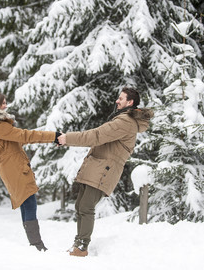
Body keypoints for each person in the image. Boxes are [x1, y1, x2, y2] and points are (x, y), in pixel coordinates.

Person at [58, 87, 154, 257]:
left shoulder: (125, 122)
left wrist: (68, 138)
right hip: (97, 166)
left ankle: (81, 247)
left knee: (86, 206)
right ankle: (78, 244)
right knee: (80, 205)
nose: (117, 101)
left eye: (121, 98)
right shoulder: (122, 119)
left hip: (104, 170)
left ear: (130, 102)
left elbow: (96, 135)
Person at [0, 91, 60, 251]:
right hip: (15, 167)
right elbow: (25, 135)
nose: (6, 106)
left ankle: (35, 245)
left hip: (11, 166)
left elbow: (14, 143)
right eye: (2, 103)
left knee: (26, 203)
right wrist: (53, 136)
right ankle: (37, 246)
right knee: (29, 204)